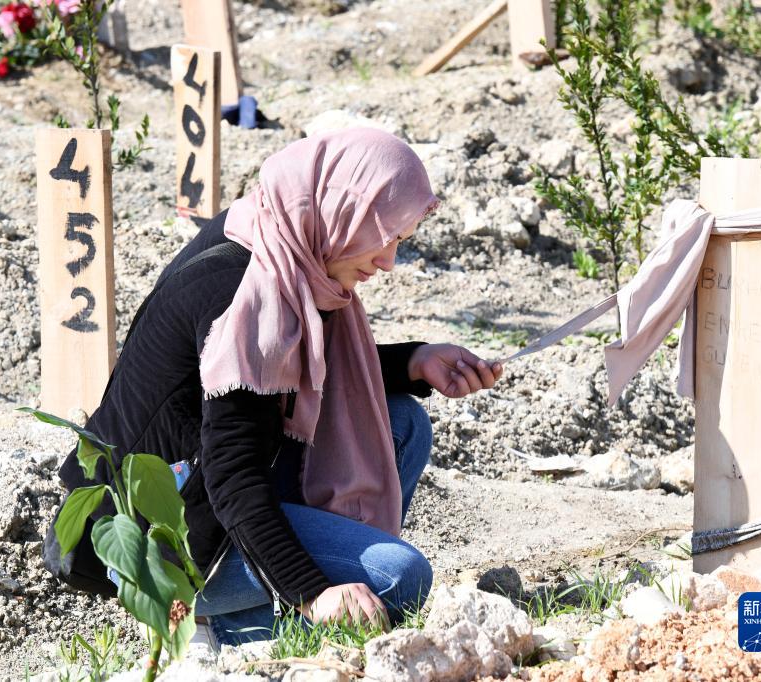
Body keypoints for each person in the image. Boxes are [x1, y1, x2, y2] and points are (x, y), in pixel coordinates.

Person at [55, 127, 503, 647]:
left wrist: (415, 362)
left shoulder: (279, 236)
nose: (387, 263)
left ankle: (294, 595)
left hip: (207, 484)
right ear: (339, 211)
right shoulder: (248, 298)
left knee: (403, 422)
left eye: (398, 241)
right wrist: (312, 592)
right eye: (381, 236)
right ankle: (208, 623)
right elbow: (232, 475)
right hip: (162, 535)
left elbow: (299, 374)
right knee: (401, 577)